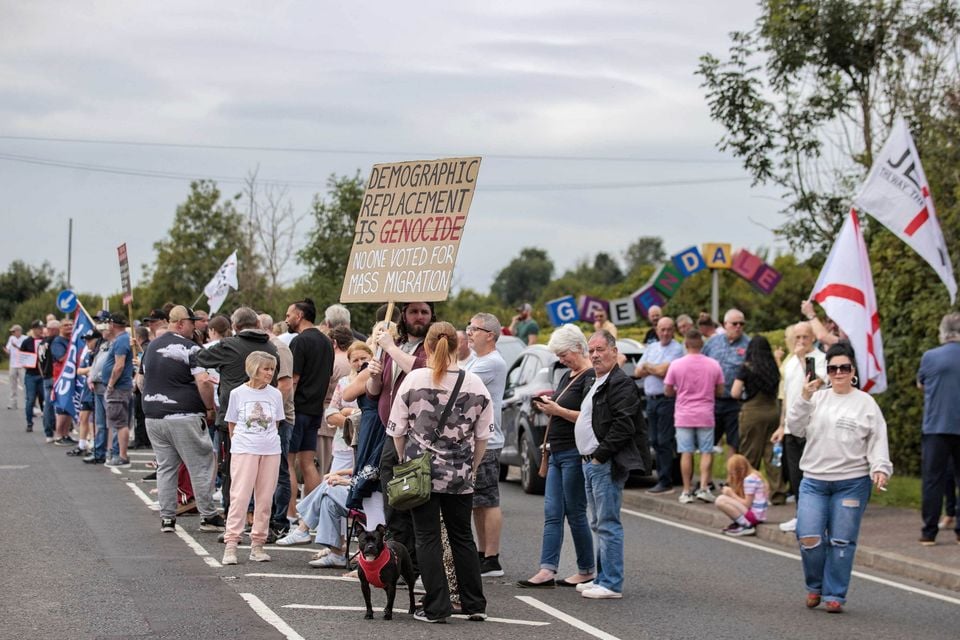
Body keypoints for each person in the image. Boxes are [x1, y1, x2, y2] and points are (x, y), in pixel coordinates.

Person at [386, 321, 491, 623]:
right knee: (462, 538)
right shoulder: (475, 384)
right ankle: (474, 603)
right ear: (458, 347)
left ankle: (436, 606)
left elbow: (396, 428)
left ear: (428, 347)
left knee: (427, 538)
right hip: (460, 473)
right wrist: (472, 466)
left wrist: (406, 456)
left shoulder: (415, 379)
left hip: (423, 473)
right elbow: (483, 436)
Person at [788, 343, 892, 613]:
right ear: (827, 371)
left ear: (853, 371)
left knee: (841, 542)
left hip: (852, 482)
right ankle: (815, 586)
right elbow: (796, 428)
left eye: (844, 368)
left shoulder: (866, 403)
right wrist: (803, 397)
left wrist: (880, 468)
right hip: (814, 481)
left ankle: (835, 595)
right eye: (833, 368)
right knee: (808, 537)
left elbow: (878, 439)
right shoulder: (816, 398)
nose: (838, 373)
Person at [518, 324, 595, 589]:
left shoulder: (590, 377)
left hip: (574, 451)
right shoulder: (568, 375)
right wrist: (548, 407)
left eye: (564, 354)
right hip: (557, 450)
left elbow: (587, 417)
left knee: (575, 512)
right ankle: (546, 569)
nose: (561, 360)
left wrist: (557, 410)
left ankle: (586, 568)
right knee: (552, 512)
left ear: (577, 347)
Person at [574, 330, 645, 600]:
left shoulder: (621, 383)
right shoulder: (597, 379)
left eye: (600, 349)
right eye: (591, 350)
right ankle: (602, 578)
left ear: (614, 351)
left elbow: (624, 424)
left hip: (604, 463)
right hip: (591, 462)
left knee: (608, 522)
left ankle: (612, 583)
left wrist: (600, 456)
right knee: (597, 522)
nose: (594, 355)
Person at [142, 305, 224, 534]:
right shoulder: (191, 348)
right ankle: (208, 515)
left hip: (153, 415)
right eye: (192, 321)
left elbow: (140, 380)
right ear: (180, 323)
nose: (195, 325)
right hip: (184, 414)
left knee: (166, 466)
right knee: (200, 464)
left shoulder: (150, 347)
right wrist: (209, 408)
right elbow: (204, 382)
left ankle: (167, 518)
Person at [366, 301, 435, 572]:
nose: (419, 317)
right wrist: (372, 375)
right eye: (413, 312)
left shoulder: (431, 347)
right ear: (403, 316)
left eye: (424, 312)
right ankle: (397, 560)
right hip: (390, 434)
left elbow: (420, 371)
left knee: (415, 501)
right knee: (392, 502)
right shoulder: (392, 347)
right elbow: (374, 392)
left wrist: (391, 348)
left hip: (418, 439)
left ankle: (417, 565)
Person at [196, 307, 279, 516]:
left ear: (235, 326)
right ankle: (259, 520)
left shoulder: (228, 345)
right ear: (258, 324)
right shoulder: (271, 347)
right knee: (264, 478)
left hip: (233, 419)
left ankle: (232, 521)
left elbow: (201, 357)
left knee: (233, 472)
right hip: (265, 421)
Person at [221, 352, 284, 565]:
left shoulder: (275, 394)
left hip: (270, 450)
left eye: (272, 368)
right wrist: (241, 442)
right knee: (239, 496)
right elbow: (231, 423)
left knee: (265, 498)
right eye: (266, 368)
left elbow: (276, 423)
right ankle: (231, 544)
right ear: (254, 368)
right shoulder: (237, 393)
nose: (270, 373)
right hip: (244, 449)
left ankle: (258, 543)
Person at [464, 312, 508, 578]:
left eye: (474, 328)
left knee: (488, 500)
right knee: (478, 502)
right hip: (477, 440)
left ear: (489, 335)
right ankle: (483, 553)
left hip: (488, 441)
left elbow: (460, 386)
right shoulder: (478, 360)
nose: (469, 332)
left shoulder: (491, 362)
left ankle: (492, 557)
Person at [772, 321, 827, 531]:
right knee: (795, 475)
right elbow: (786, 396)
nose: (801, 341)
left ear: (813, 337)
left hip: (812, 426)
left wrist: (805, 358)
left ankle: (815, 519)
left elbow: (813, 384)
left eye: (805, 337)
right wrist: (781, 425)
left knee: (811, 475)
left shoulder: (820, 359)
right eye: (798, 337)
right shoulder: (791, 361)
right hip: (791, 427)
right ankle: (801, 516)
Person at [664, 330, 724, 504]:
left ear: (686, 344)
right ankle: (704, 488)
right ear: (702, 345)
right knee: (706, 451)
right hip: (705, 412)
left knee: (686, 452)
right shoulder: (713, 364)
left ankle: (686, 490)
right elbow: (720, 390)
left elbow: (667, 390)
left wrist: (679, 391)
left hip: (684, 413)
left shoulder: (676, 364)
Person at [284, 298, 335, 504]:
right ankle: (310, 515)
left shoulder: (300, 341)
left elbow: (293, 380)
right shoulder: (326, 342)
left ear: (299, 316)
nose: (286, 319)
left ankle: (290, 514)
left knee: (287, 463)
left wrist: (284, 410)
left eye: (288, 315)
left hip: (297, 411)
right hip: (316, 411)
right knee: (308, 463)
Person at [917, 312, 960, 546]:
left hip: (936, 426)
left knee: (933, 480)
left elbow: (921, 384)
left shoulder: (930, 356)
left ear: (943, 332)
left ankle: (929, 532)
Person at [730, 335, 784, 502]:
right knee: (772, 455)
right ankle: (778, 493)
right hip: (773, 412)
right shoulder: (774, 367)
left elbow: (735, 392)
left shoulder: (746, 367)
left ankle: (744, 491)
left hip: (752, 412)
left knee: (749, 454)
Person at [635, 316, 684, 494]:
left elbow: (666, 371)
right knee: (654, 440)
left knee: (665, 441)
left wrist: (650, 367)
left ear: (673, 330)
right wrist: (654, 368)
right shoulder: (652, 348)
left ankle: (666, 481)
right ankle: (662, 479)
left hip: (667, 400)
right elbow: (637, 371)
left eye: (669, 329)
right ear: (656, 330)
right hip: (651, 401)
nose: (665, 333)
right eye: (662, 329)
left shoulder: (677, 349)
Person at [702, 308, 750, 453]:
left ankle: (732, 476)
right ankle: (705, 476)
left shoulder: (749, 344)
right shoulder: (712, 343)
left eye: (742, 324)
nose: (738, 327)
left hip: (735, 402)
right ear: (725, 325)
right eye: (734, 323)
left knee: (734, 443)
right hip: (713, 400)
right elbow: (701, 364)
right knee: (707, 444)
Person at [102, 313, 134, 467]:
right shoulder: (123, 339)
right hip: (122, 387)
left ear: (112, 325)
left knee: (120, 423)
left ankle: (122, 456)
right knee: (117, 421)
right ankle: (117, 453)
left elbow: (119, 365)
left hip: (119, 388)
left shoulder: (121, 341)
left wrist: (110, 384)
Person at [715, 454, 769, 537]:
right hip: (757, 515)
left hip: (754, 516)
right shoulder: (754, 476)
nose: (731, 476)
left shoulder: (749, 480)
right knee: (723, 499)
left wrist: (731, 494)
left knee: (720, 500)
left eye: (732, 473)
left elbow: (747, 504)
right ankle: (740, 523)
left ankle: (746, 525)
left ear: (739, 471)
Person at [19, 321, 45, 432]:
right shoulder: (26, 342)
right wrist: (26, 362)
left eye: (41, 328)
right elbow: (21, 357)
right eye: (38, 328)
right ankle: (29, 423)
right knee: (30, 400)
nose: (41, 330)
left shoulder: (45, 341)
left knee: (44, 399)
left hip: (43, 375)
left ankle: (47, 422)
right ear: (33, 329)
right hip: (31, 374)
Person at [5, 324, 25, 410]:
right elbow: (8, 349)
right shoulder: (11, 338)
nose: (12, 333)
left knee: (24, 384)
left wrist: (16, 346)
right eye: (12, 332)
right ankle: (13, 403)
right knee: (13, 384)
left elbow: (25, 350)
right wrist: (6, 350)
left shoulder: (25, 338)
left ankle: (27, 403)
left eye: (14, 331)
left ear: (19, 331)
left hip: (22, 364)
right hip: (13, 364)